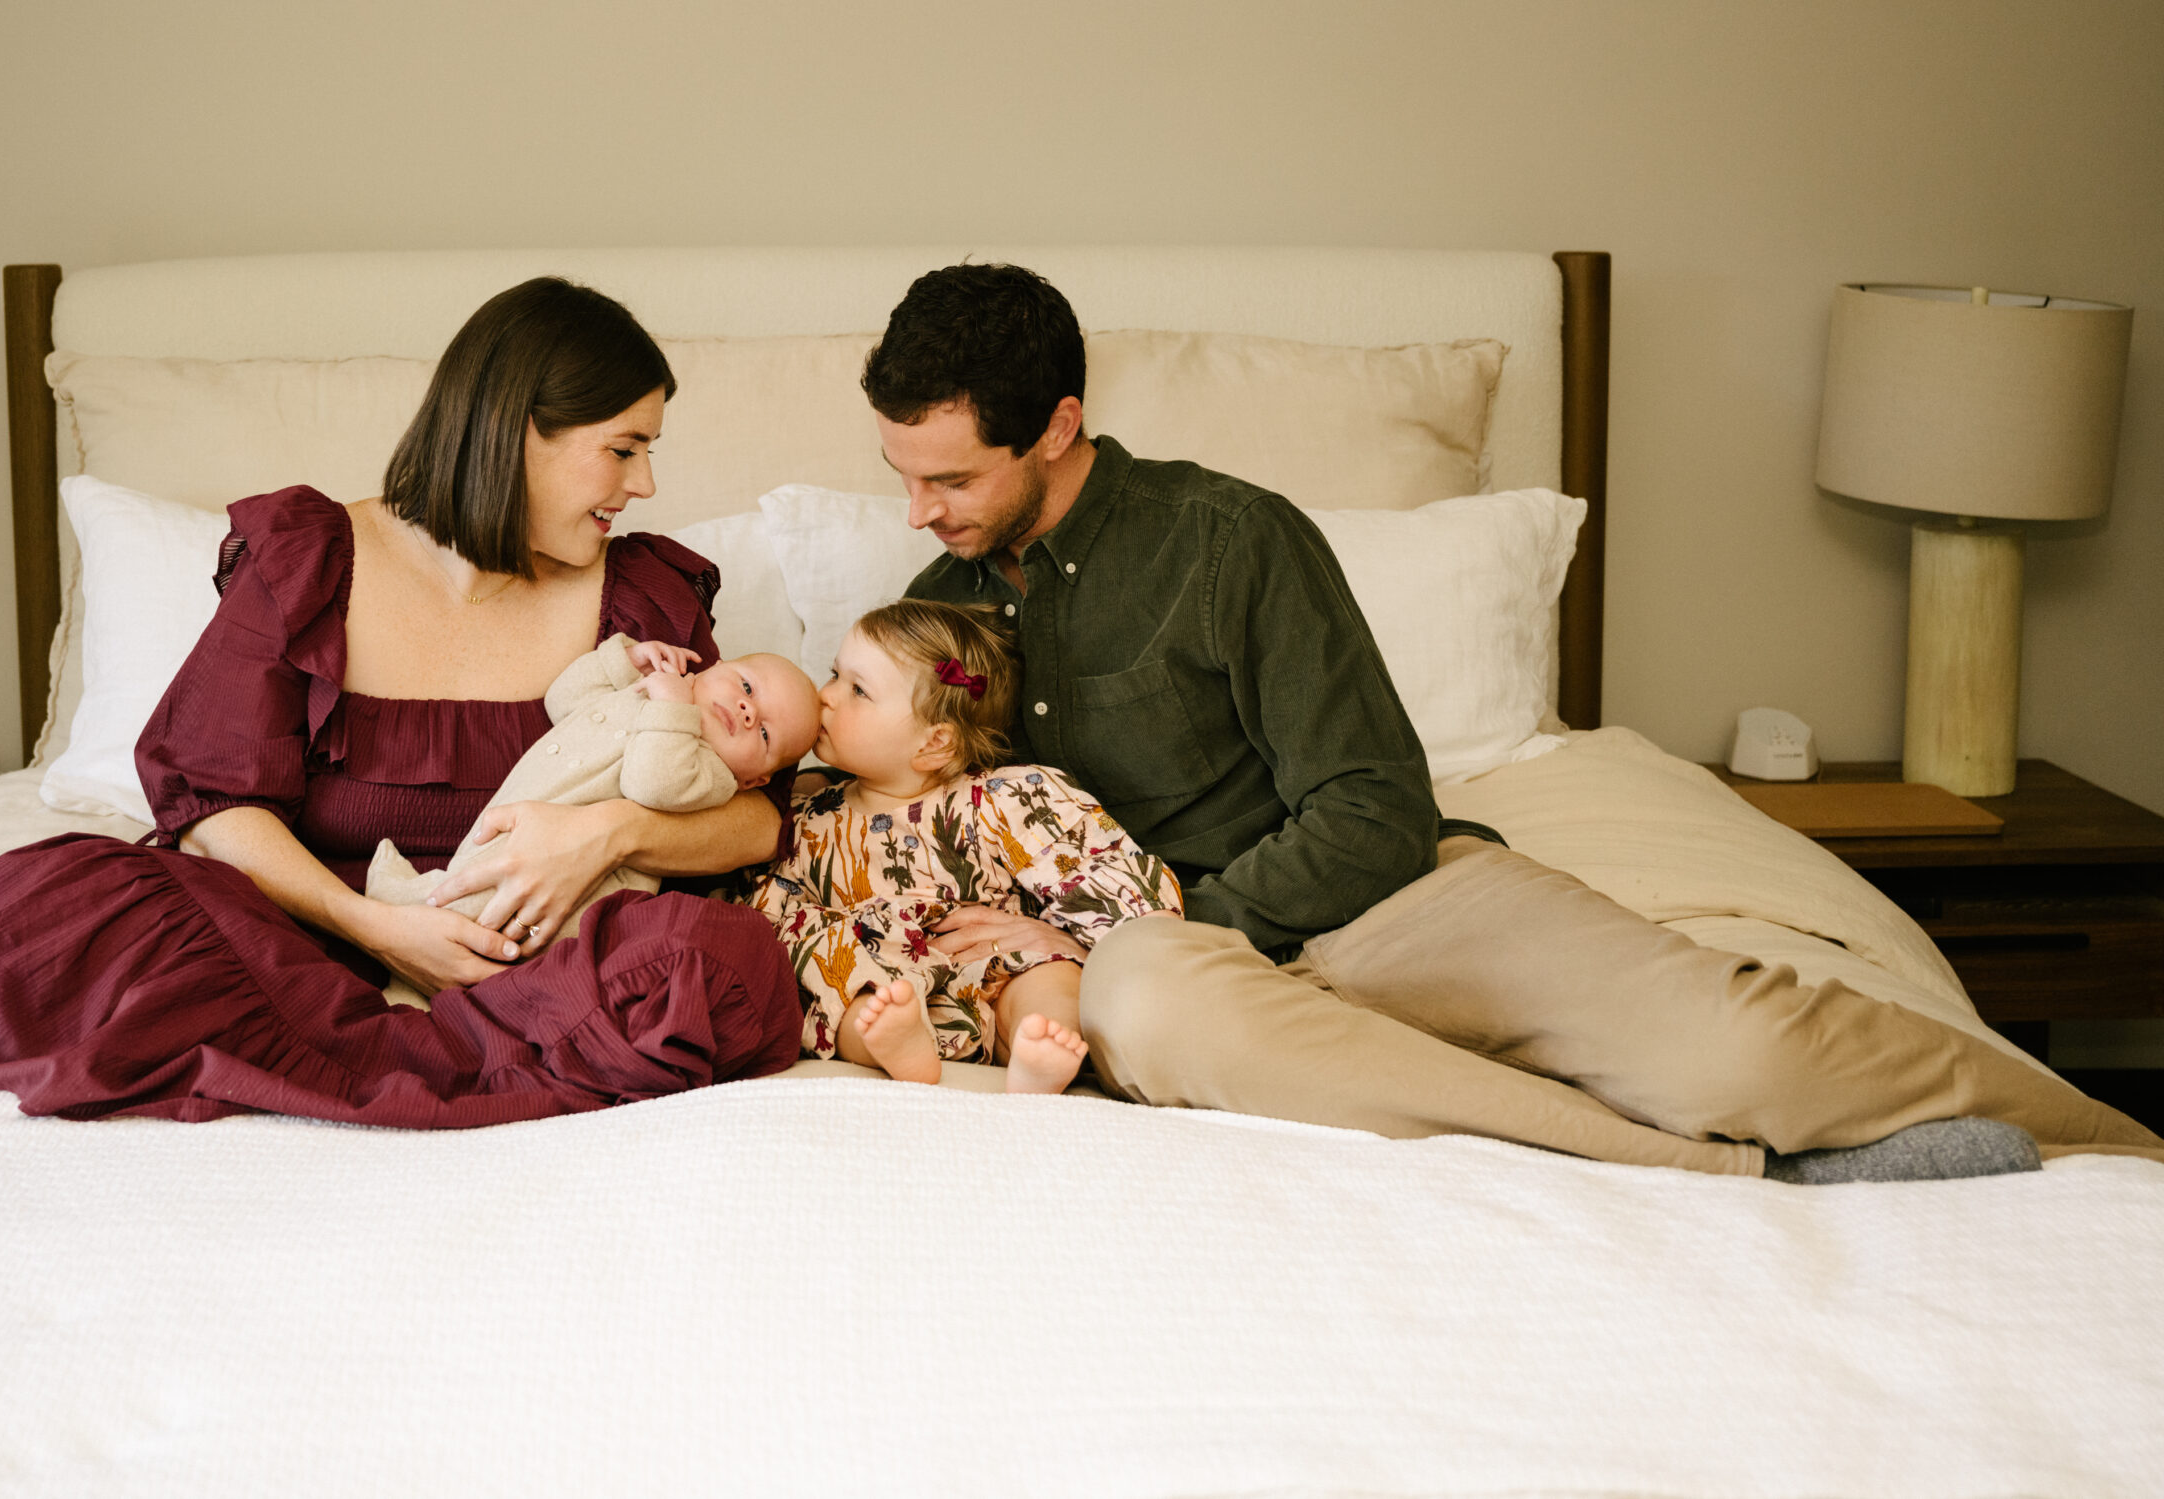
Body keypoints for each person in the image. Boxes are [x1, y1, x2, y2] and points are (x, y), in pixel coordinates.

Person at [867, 262, 2163, 1178]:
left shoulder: (1228, 537)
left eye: (954, 477)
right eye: (903, 477)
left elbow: (1373, 802)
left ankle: (2113, 1145)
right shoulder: (939, 610)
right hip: (1172, 961)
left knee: (1733, 1040)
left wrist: (1202, 918)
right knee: (1147, 1001)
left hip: (1386, 896)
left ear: (1060, 426)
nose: (922, 512)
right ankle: (1680, 1162)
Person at [0, 277, 803, 1127]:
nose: (644, 485)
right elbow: (214, 802)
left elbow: (757, 817)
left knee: (726, 955)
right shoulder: (313, 557)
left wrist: (603, 830)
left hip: (545, 959)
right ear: (518, 432)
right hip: (317, 941)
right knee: (93, 896)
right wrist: (378, 927)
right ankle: (399, 1045)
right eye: (623, 449)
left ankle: (452, 1044)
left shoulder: (640, 595)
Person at [746, 598, 1182, 1094]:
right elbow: (771, 917)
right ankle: (896, 1046)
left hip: (991, 977)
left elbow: (1092, 869)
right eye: (834, 674)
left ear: (935, 743)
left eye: (858, 690)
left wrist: (1140, 928)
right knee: (833, 985)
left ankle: (1036, 1048)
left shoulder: (1000, 799)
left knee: (1049, 974)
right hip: (884, 983)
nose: (825, 696)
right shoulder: (808, 818)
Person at [365, 632, 819, 1004]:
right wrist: (626, 662)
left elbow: (652, 782)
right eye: (746, 686)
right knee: (470, 883)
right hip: (514, 832)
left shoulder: (711, 775)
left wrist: (672, 703)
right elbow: (563, 700)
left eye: (763, 732)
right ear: (711, 668)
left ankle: (404, 904)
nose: (746, 710)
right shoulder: (651, 695)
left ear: (754, 781)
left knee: (483, 906)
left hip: (566, 889)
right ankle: (409, 983)